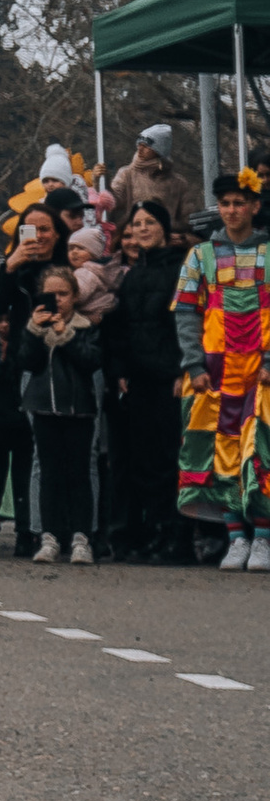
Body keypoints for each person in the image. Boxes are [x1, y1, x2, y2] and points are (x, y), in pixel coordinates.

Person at [172, 173, 270, 571]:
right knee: (221, 451)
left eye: (239, 203)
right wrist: (193, 364)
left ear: (255, 207)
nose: (232, 210)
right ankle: (235, 538)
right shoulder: (200, 255)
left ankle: (262, 537)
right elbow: (186, 312)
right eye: (225, 203)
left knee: (260, 448)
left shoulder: (269, 252)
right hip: (215, 371)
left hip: (261, 372)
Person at [102, 200, 189, 563]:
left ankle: (178, 536)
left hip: (171, 378)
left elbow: (186, 323)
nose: (142, 229)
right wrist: (121, 369)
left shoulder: (181, 269)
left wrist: (185, 369)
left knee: (172, 458)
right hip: (139, 379)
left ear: (164, 227)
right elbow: (122, 328)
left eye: (149, 222)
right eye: (137, 224)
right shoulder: (133, 275)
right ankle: (154, 531)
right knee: (144, 460)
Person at [0, 204, 64, 558]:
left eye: (45, 229)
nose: (38, 237)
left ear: (57, 233)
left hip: (57, 365)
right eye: (30, 230)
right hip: (16, 368)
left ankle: (31, 529)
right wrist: (10, 266)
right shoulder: (17, 269)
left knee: (33, 457)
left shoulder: (67, 269)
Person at [19, 267, 103, 567]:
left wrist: (64, 335)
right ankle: (49, 536)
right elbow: (26, 361)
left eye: (63, 294)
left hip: (79, 410)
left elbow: (90, 360)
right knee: (49, 474)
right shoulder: (35, 327)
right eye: (50, 294)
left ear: (75, 296)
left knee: (79, 473)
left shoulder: (86, 327)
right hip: (44, 408)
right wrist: (35, 331)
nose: (57, 300)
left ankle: (82, 537)